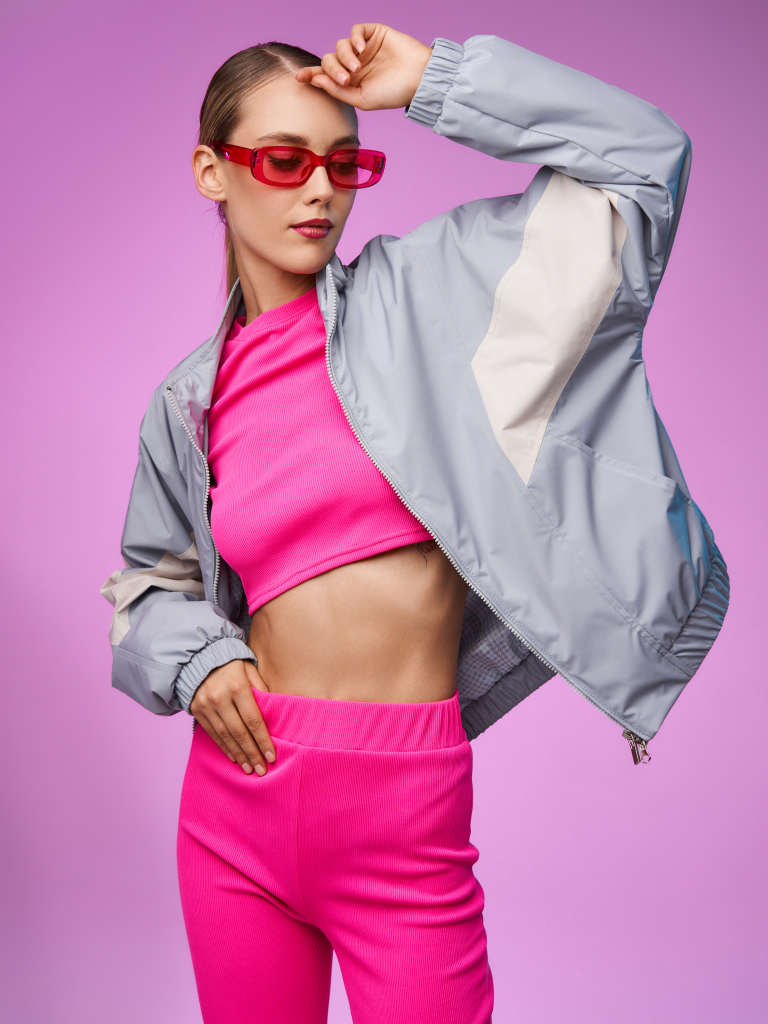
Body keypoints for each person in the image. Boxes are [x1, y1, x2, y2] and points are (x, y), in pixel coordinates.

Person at [101, 22, 728, 1024]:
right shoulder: (189, 402)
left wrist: (436, 79)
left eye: (345, 162)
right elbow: (149, 585)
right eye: (284, 161)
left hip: (405, 808)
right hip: (233, 811)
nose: (320, 190)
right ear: (213, 172)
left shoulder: (438, 299)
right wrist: (198, 661)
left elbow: (645, 161)